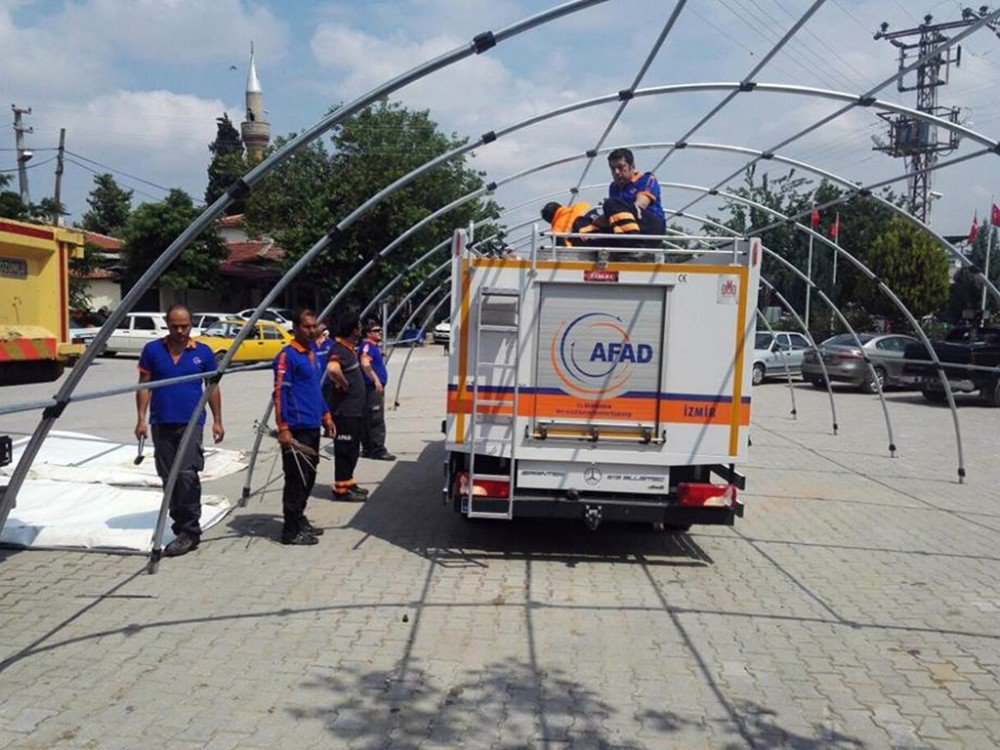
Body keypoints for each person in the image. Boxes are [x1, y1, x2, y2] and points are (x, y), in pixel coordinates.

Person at [135, 304, 224, 558]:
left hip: (191, 422)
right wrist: (141, 419)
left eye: (184, 326)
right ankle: (179, 524)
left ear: (192, 325)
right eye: (175, 326)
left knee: (186, 474)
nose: (180, 331)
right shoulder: (152, 351)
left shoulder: (203, 353)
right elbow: (144, 385)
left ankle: (190, 530)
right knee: (168, 476)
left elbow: (212, 387)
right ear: (167, 324)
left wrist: (217, 420)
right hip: (161, 422)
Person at [273, 309, 335, 545]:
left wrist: (326, 415)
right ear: (296, 328)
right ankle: (290, 531)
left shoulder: (311, 354)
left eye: (314, 327)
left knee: (308, 476)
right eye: (307, 327)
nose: (312, 331)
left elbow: (315, 390)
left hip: (311, 426)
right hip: (296, 428)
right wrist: (283, 428)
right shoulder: (287, 357)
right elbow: (280, 393)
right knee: (296, 479)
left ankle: (299, 518)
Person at [325, 311, 369, 501]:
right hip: (345, 411)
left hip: (355, 411)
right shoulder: (338, 349)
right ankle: (341, 489)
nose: (360, 330)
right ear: (353, 330)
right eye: (358, 327)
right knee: (344, 449)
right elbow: (332, 369)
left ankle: (348, 481)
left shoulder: (349, 350)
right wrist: (344, 384)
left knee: (352, 448)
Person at [604, 148, 666, 241]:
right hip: (624, 227)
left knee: (611, 204)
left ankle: (632, 241)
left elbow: (640, 205)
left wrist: (616, 208)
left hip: (650, 226)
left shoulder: (646, 179)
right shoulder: (614, 187)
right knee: (585, 220)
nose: (616, 172)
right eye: (613, 168)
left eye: (621, 167)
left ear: (632, 166)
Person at [358, 319, 395, 461]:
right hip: (372, 388)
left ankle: (368, 448)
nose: (380, 333)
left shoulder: (373, 347)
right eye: (376, 330)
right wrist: (376, 380)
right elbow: (365, 363)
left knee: (368, 417)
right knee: (376, 418)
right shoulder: (367, 346)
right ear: (368, 333)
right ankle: (378, 449)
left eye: (380, 330)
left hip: (373, 388)